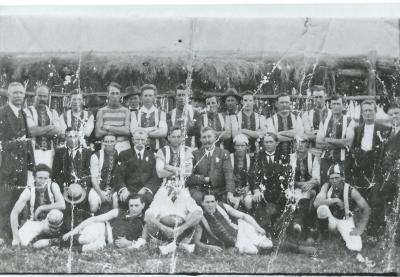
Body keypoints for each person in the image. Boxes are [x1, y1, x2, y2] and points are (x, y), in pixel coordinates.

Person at [145, 126, 201, 255]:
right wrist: (177, 170)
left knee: (196, 212)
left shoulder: (187, 150)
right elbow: (160, 173)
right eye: (173, 136)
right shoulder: (162, 150)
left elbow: (187, 172)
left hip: (182, 188)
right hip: (165, 188)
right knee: (151, 214)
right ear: (168, 137)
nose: (176, 139)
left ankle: (173, 242)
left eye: (179, 136)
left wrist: (168, 166)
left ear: (182, 138)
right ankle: (175, 243)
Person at [0, 82, 35, 243]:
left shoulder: (22, 114)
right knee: (5, 202)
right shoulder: (2, 113)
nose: (19, 95)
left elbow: (29, 143)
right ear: (8, 95)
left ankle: (17, 234)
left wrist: (31, 167)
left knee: (18, 201)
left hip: (21, 168)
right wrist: (18, 143)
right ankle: (3, 236)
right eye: (15, 93)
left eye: (21, 93)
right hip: (6, 166)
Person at [314, 164, 371, 252]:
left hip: (345, 220)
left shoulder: (351, 191)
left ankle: (341, 236)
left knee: (356, 247)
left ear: (343, 178)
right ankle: (325, 236)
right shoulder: (327, 186)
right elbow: (316, 203)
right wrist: (335, 200)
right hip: (331, 220)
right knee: (322, 209)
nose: (334, 181)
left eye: (337, 178)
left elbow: (366, 208)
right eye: (332, 178)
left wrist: (361, 227)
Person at [62, 194, 147, 252]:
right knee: (86, 239)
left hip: (107, 242)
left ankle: (64, 247)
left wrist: (129, 243)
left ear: (143, 205)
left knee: (97, 247)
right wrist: (73, 231)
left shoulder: (144, 221)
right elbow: (94, 219)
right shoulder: (119, 212)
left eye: (137, 205)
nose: (133, 208)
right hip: (102, 229)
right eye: (131, 205)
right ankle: (60, 241)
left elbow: (144, 242)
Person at [193, 193, 273, 254]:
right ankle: (255, 247)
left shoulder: (222, 206)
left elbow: (244, 216)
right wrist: (210, 247)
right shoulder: (201, 218)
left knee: (268, 245)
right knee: (253, 251)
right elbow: (196, 241)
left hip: (242, 229)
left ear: (216, 202)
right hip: (236, 242)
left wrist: (257, 227)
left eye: (212, 202)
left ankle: (262, 241)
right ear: (202, 203)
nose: (210, 205)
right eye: (207, 202)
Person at [10, 164, 65, 246]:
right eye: (40, 178)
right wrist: (15, 236)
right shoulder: (29, 190)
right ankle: (43, 240)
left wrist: (41, 208)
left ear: (49, 178)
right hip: (35, 223)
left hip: (50, 222)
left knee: (55, 213)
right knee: (19, 243)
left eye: (45, 178)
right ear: (34, 178)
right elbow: (14, 212)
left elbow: (62, 205)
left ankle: (52, 238)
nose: (43, 181)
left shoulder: (53, 186)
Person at [248, 133, 292, 234]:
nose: (268, 144)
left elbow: (287, 176)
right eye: (266, 142)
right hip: (263, 190)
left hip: (279, 190)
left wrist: (287, 189)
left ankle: (281, 228)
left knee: (288, 199)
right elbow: (253, 175)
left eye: (271, 142)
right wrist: (255, 190)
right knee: (257, 200)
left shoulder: (284, 156)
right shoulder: (257, 156)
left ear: (276, 143)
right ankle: (265, 229)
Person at [187, 127, 235, 205]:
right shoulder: (195, 154)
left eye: (209, 137)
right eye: (204, 137)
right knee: (200, 200)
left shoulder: (223, 153)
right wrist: (204, 179)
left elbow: (229, 175)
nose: (207, 140)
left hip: (219, 191)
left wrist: (230, 193)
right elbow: (189, 177)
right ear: (200, 140)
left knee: (226, 202)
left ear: (215, 138)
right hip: (200, 191)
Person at [115, 128, 161, 206]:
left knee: (149, 200)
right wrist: (123, 189)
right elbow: (118, 175)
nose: (140, 142)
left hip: (145, 190)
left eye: (142, 140)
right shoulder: (124, 154)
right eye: (137, 140)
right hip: (129, 189)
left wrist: (146, 188)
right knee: (123, 199)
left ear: (147, 141)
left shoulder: (152, 154)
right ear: (133, 140)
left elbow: (155, 176)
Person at [316, 94, 355, 185]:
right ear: (330, 105)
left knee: (344, 186)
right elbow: (318, 143)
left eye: (338, 104)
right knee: (325, 185)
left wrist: (327, 139)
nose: (336, 106)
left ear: (343, 105)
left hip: (343, 159)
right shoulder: (324, 121)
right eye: (333, 104)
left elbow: (348, 142)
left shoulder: (349, 121)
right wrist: (341, 142)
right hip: (326, 160)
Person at [26, 85, 64, 167]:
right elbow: (31, 131)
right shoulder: (27, 111)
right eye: (39, 96)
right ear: (34, 96)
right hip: (32, 152)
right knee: (32, 177)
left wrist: (39, 130)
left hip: (49, 153)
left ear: (48, 97)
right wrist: (50, 127)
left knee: (47, 177)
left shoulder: (53, 112)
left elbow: (58, 131)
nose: (42, 99)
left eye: (45, 96)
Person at [292, 137, 320, 242]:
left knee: (308, 194)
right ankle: (302, 227)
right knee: (301, 195)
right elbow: (288, 178)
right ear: (294, 144)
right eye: (297, 142)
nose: (300, 145)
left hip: (309, 188)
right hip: (294, 187)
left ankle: (299, 224)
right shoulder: (291, 158)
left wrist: (309, 184)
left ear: (307, 144)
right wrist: (301, 184)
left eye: (303, 142)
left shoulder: (313, 158)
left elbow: (317, 178)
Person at [96, 82, 131, 154]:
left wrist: (107, 127)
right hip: (107, 144)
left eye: (117, 93)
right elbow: (98, 133)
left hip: (123, 145)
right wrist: (119, 130)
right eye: (112, 93)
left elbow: (127, 131)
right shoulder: (101, 111)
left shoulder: (126, 111)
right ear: (107, 95)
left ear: (120, 95)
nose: (115, 96)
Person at [130, 84, 167, 152]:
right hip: (140, 150)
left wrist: (142, 131)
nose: (148, 98)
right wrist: (154, 129)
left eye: (150, 95)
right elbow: (134, 132)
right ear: (141, 97)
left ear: (154, 97)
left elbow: (163, 132)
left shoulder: (161, 113)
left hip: (157, 150)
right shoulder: (134, 114)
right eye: (145, 95)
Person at [266, 93, 303, 158]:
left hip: (294, 155)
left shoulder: (297, 118)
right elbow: (272, 138)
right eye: (282, 102)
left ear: (290, 104)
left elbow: (299, 135)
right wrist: (293, 135)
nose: (284, 105)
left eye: (286, 102)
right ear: (276, 104)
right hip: (276, 156)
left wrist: (279, 134)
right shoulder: (270, 120)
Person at [89, 134, 119, 214]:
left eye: (112, 141)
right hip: (98, 188)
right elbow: (94, 178)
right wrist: (101, 194)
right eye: (106, 141)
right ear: (102, 142)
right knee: (93, 205)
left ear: (116, 142)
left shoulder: (120, 155)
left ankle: (114, 224)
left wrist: (112, 191)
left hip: (114, 189)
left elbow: (120, 177)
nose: (109, 144)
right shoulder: (96, 156)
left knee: (116, 203)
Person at [166, 84, 199, 149]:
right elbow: (169, 133)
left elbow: (197, 132)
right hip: (175, 148)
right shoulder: (170, 114)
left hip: (191, 148)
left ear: (187, 97)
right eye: (179, 95)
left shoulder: (195, 113)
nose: (181, 98)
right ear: (175, 97)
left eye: (184, 95)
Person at [229, 134, 253, 212]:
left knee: (248, 201)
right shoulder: (230, 158)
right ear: (234, 147)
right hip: (233, 189)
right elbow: (227, 176)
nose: (240, 148)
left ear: (247, 147)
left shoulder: (250, 158)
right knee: (234, 204)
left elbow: (252, 176)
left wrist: (247, 187)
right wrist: (233, 189)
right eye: (237, 146)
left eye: (242, 146)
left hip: (246, 188)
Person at [221, 88, 242, 152]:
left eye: (232, 100)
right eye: (228, 100)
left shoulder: (241, 115)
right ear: (225, 102)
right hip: (224, 148)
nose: (230, 103)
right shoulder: (221, 116)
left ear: (237, 102)